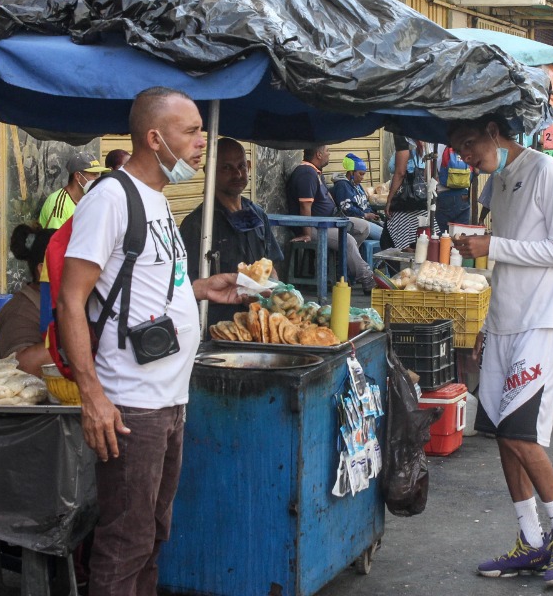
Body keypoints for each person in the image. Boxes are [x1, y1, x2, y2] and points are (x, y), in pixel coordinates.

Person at [57, 86, 249, 596]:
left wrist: (204, 288)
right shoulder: (110, 199)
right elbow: (70, 300)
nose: (201, 142)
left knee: (153, 534)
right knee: (125, 541)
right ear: (154, 137)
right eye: (191, 132)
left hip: (170, 399)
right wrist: (93, 397)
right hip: (130, 404)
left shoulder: (158, 199)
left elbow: (149, 285)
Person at [447, 115, 553, 586]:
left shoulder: (546, 170)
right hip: (505, 321)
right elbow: (505, 255)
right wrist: (487, 322)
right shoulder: (499, 182)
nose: (465, 156)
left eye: (469, 144)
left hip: (540, 320)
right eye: (459, 149)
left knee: (520, 434)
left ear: (493, 129)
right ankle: (530, 539)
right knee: (502, 434)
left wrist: (495, 245)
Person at [180, 138, 284, 328]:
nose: (237, 174)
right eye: (226, 168)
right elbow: (185, 286)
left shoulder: (258, 215)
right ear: (209, 172)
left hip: (259, 324)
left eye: (241, 166)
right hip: (216, 327)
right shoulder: (197, 225)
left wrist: (273, 293)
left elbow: (271, 265)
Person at [286, 144, 376, 293]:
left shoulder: (315, 172)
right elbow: (305, 207)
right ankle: (367, 278)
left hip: (330, 220)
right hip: (315, 226)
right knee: (348, 241)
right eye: (327, 151)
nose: (330, 154)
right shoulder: (306, 174)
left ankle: (343, 264)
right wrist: (307, 233)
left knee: (363, 227)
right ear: (318, 154)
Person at [0, 223, 57, 376]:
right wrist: (77, 340)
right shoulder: (19, 313)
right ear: (43, 270)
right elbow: (19, 366)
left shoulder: (64, 301)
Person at [384, 134, 436, 250]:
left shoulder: (402, 138)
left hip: (404, 203)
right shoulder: (425, 142)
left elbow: (400, 173)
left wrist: (389, 200)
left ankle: (402, 266)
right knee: (420, 241)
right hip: (421, 200)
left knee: (390, 243)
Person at [39, 152, 110, 229]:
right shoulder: (58, 203)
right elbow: (57, 238)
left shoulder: (93, 199)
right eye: (94, 174)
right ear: (78, 176)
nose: (98, 179)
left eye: (98, 175)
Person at [332, 153, 383, 241]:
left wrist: (373, 215)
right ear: (351, 172)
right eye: (361, 174)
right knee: (386, 237)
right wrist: (365, 215)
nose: (362, 177)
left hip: (367, 220)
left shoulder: (358, 186)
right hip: (354, 223)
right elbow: (346, 208)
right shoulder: (342, 185)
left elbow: (365, 205)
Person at [434, 143, 473, 233]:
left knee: (442, 236)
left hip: (444, 195)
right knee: (461, 237)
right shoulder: (465, 143)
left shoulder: (437, 144)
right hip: (463, 195)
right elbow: (477, 171)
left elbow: (431, 171)